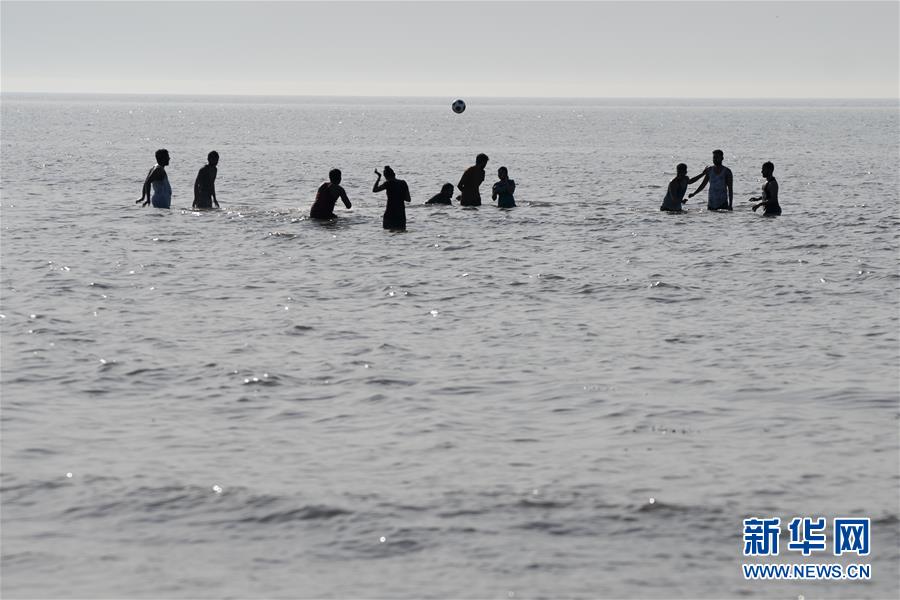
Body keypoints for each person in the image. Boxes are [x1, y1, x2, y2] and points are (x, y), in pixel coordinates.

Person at [373, 166, 411, 230]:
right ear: (394, 174)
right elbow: (408, 199)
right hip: (401, 215)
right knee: (401, 233)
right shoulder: (403, 183)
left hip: (389, 214)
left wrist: (379, 177)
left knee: (388, 233)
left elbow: (375, 190)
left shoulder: (388, 183)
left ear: (385, 176)